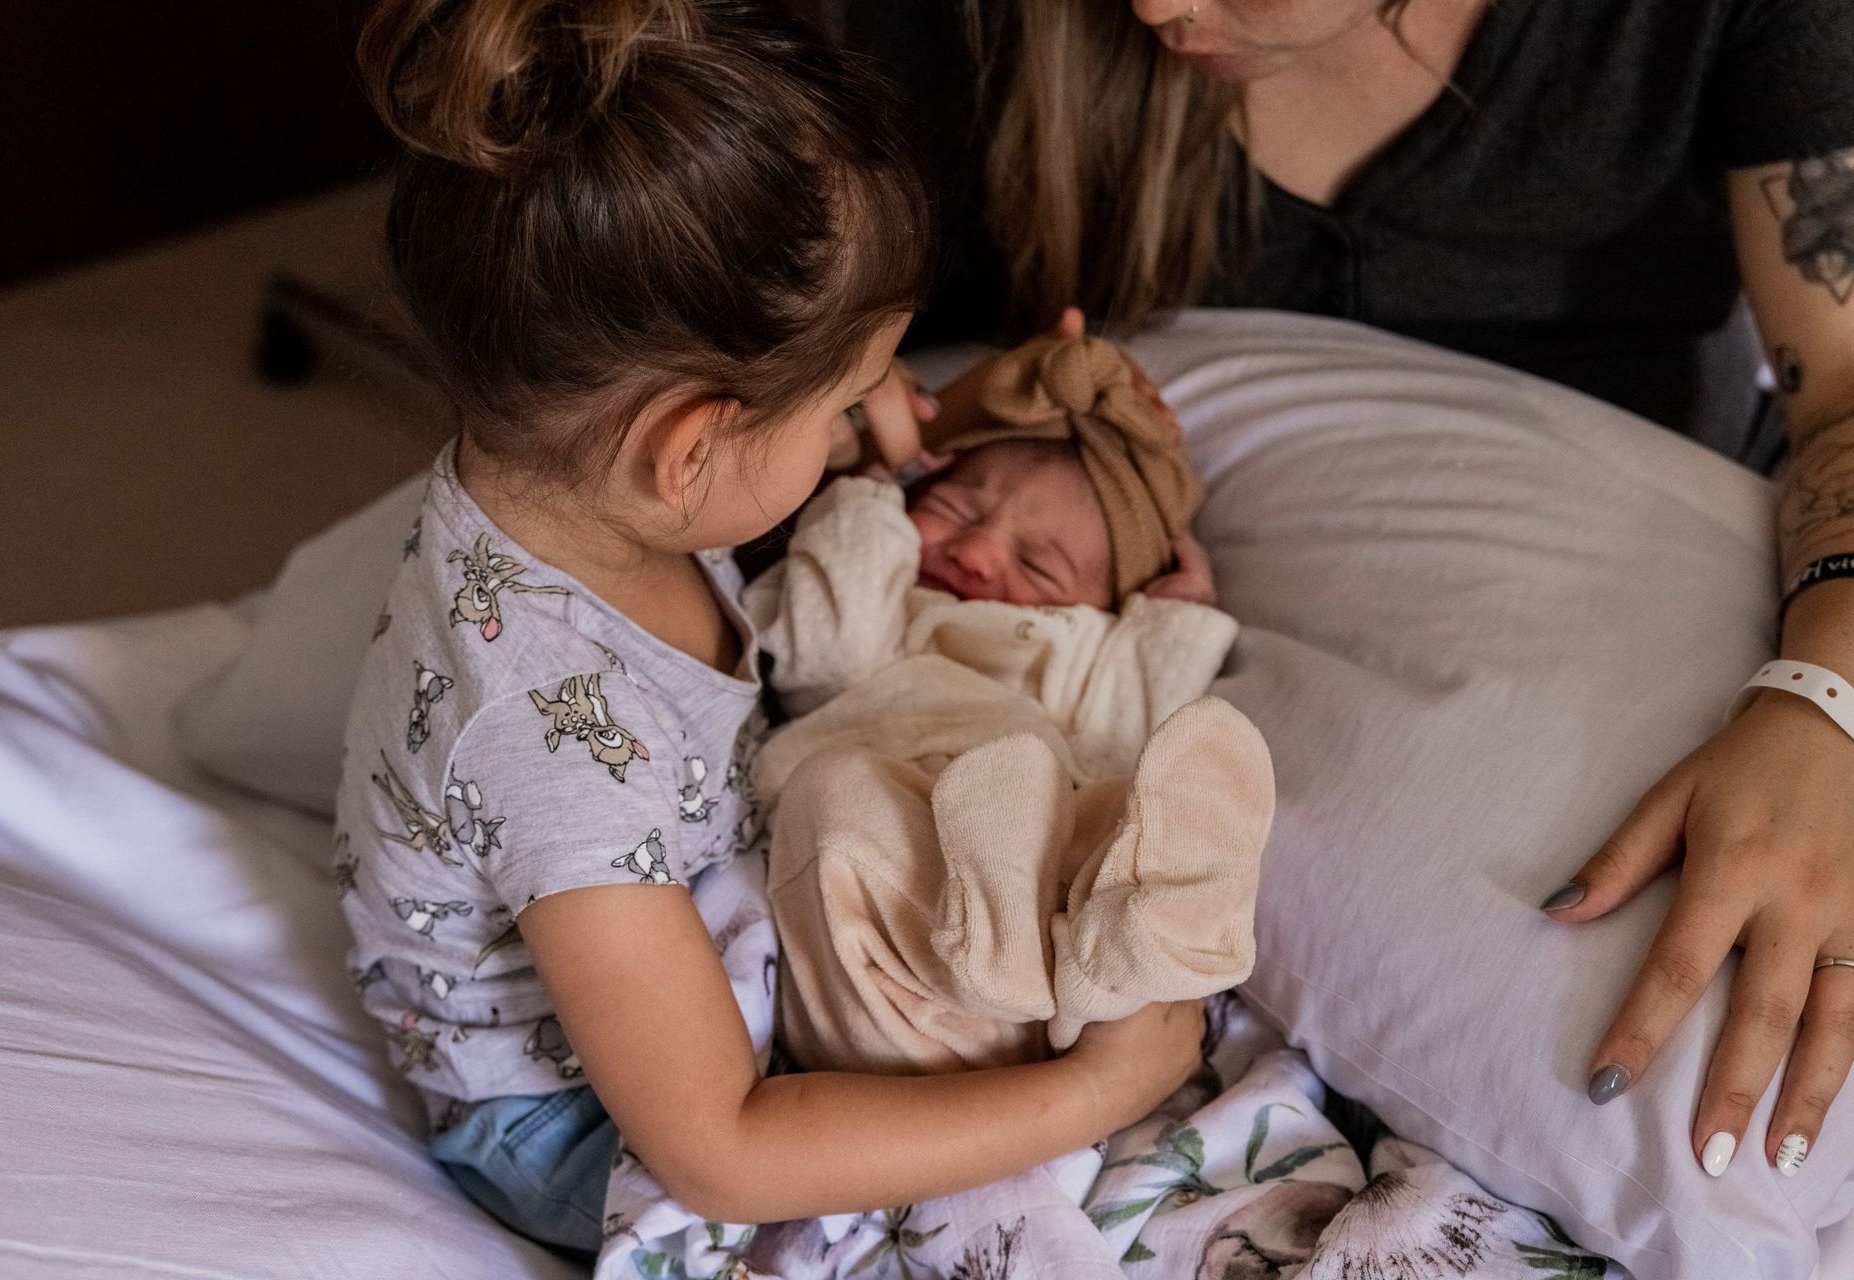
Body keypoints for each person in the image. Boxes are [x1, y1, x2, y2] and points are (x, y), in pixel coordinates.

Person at [830, 0, 1854, 1182]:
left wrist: (1823, 694)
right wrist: (912, 410)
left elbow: (1839, 378)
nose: (1158, 8)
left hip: (1650, 556)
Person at [332, 0, 1202, 1256]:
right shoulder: (549, 740)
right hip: (582, 1119)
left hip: (693, 924)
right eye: (856, 396)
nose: (885, 416)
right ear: (688, 449)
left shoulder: (565, 464)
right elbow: (722, 1147)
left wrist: (958, 417)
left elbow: (770, 451)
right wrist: (1099, 1090)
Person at [746, 324, 1273, 1078]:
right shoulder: (887, 608)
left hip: (1042, 977)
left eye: (1039, 564)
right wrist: (870, 497)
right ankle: (1004, 936)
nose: (978, 552)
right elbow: (825, 655)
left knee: (1121, 799)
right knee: (834, 796)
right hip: (889, 973)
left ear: (1106, 606)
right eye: (956, 510)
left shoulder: (1086, 651)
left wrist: (1175, 622)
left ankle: (1155, 935)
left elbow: (1120, 739)